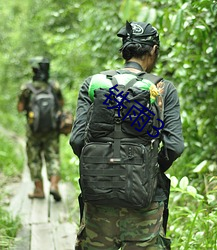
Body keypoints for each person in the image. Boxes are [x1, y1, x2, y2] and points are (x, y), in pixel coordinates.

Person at [70, 21, 184, 249]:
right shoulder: (163, 88)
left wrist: (101, 165)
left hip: (98, 201)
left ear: (124, 50)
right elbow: (174, 147)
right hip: (145, 205)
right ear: (153, 50)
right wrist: (148, 167)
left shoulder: (93, 84)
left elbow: (77, 140)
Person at [17, 57, 64, 202]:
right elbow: (61, 104)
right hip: (52, 129)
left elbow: (19, 108)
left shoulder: (27, 88)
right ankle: (54, 186)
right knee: (53, 157)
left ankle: (39, 190)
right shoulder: (54, 86)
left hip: (33, 131)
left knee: (34, 159)